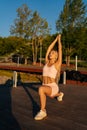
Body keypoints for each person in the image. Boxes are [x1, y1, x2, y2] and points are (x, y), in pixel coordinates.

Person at [34, 34, 64, 120]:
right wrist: (55, 39)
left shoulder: (57, 64)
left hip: (52, 86)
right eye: (51, 53)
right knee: (52, 95)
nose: (51, 53)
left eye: (53, 53)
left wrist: (59, 40)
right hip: (45, 85)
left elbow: (60, 49)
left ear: (56, 56)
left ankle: (43, 111)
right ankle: (60, 94)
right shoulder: (46, 62)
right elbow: (49, 48)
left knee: (41, 89)